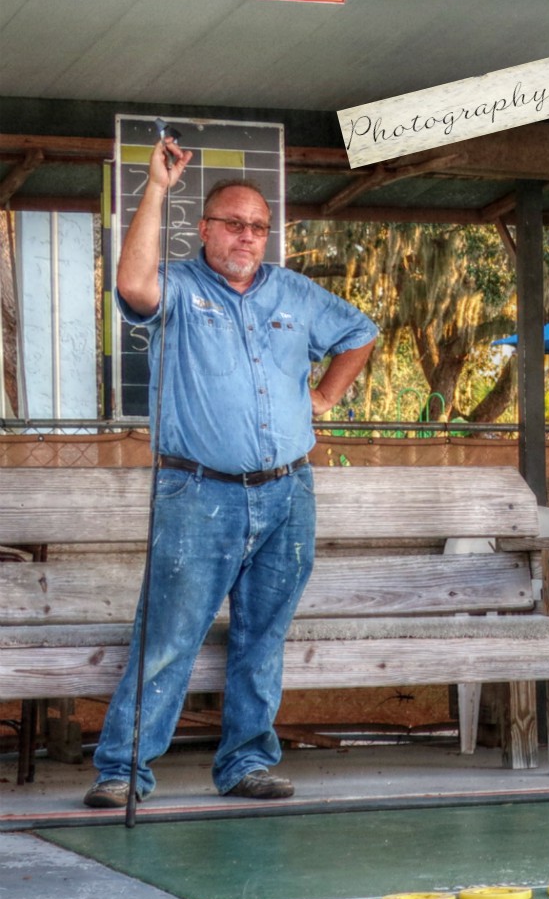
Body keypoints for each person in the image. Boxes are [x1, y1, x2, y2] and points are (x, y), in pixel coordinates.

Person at [82, 136, 378, 809]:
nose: (246, 237)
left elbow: (360, 332)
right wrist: (156, 186)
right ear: (206, 229)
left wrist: (326, 397)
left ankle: (245, 763)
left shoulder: (295, 293)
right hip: (196, 492)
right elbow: (132, 284)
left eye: (257, 228)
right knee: (168, 635)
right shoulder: (182, 288)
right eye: (233, 225)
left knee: (262, 635)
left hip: (287, 494)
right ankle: (124, 770)